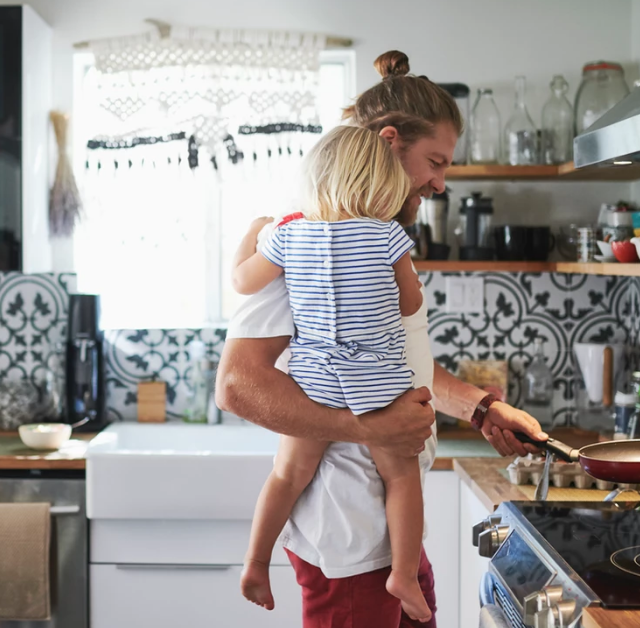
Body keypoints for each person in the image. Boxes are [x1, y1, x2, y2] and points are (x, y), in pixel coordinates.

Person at [214, 50, 548, 628]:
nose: (441, 183)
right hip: (348, 539)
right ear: (391, 143)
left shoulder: (374, 239)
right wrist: (366, 427)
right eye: (435, 162)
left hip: (392, 534)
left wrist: (481, 406)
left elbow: (398, 361)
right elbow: (237, 388)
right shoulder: (301, 234)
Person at [232, 126, 432, 621]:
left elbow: (241, 281)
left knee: (286, 474)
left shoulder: (288, 234)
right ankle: (403, 573)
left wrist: (252, 234)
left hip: (316, 380)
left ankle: (256, 562)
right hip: (379, 384)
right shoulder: (388, 235)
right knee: (401, 475)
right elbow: (411, 302)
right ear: (384, 185)